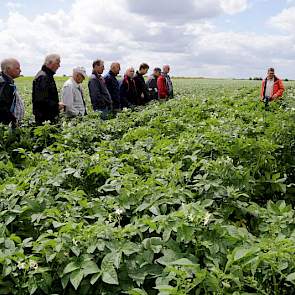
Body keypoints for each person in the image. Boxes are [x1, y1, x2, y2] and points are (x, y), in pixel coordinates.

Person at [32, 54, 64, 125]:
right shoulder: (43, 77)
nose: (59, 66)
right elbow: (42, 100)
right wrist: (57, 105)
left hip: (47, 116)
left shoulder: (47, 75)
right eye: (57, 63)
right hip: (45, 118)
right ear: (50, 63)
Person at [0, 58, 24, 126]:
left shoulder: (7, 81)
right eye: (17, 68)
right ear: (8, 69)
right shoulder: (4, 84)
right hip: (6, 125)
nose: (20, 70)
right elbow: (2, 106)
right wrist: (12, 120)